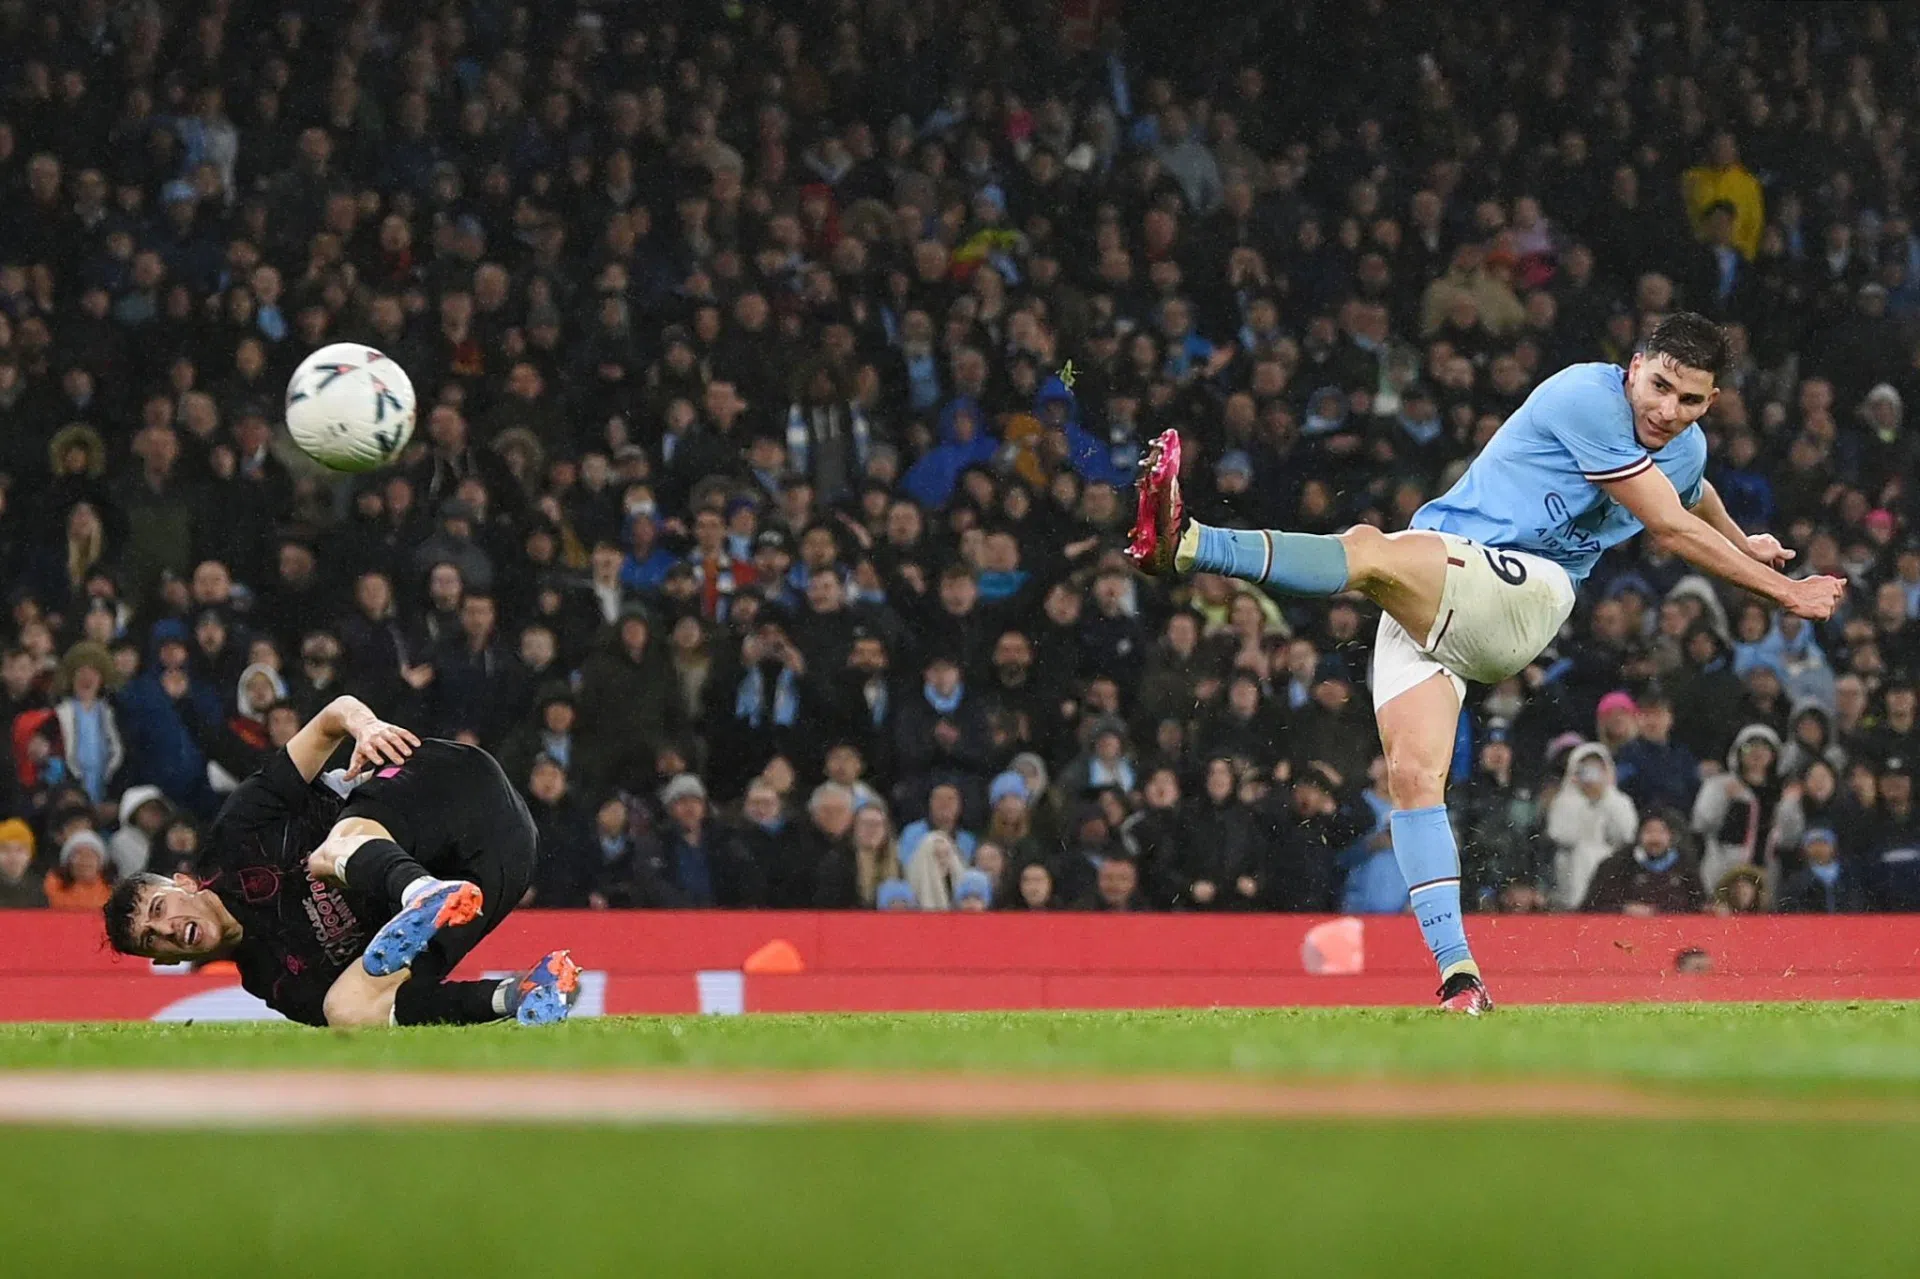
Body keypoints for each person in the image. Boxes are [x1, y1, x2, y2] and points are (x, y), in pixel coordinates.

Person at [1129, 313, 1845, 1010]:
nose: (1668, 409)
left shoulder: (1683, 445)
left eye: (1690, 399)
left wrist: (1751, 552)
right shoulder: (1585, 396)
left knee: (1370, 548)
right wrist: (1773, 574)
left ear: (1711, 401)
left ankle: (1187, 543)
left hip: (1523, 591)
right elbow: (1671, 513)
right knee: (1413, 780)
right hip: (1442, 581)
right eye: (1659, 385)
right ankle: (1459, 978)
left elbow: (1684, 501)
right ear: (1633, 368)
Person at [102, 695, 580, 1028]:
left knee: (325, 857)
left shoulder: (236, 836)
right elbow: (409, 1003)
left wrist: (365, 727)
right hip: (507, 859)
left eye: (159, 909)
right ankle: (525, 993)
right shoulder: (274, 983)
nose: (165, 930)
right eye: (152, 940)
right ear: (164, 960)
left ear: (184, 882)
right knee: (348, 1010)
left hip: (450, 786)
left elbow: (334, 715)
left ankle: (418, 892)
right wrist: (505, 997)